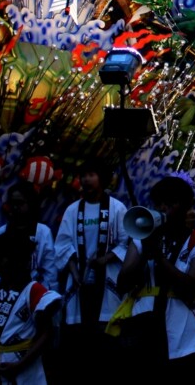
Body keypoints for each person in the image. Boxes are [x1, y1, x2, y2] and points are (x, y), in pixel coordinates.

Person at [111, 176, 195, 377]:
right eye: (159, 203)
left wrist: (159, 258)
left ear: (186, 206)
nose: (164, 208)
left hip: (183, 336)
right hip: (142, 330)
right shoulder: (141, 239)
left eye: (171, 203)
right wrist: (145, 251)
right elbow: (122, 283)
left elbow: (190, 288)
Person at [53, 158, 127, 375]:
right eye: (84, 175)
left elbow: (125, 241)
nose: (86, 179)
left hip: (107, 279)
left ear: (102, 179)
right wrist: (74, 270)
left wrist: (107, 258)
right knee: (77, 338)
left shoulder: (116, 208)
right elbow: (63, 243)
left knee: (105, 334)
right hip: (80, 281)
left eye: (92, 174)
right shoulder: (73, 210)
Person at [0, 229, 61, 385]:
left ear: (20, 260)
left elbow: (46, 334)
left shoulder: (34, 290)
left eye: (3, 258)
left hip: (23, 366)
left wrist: (20, 364)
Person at [0, 180, 58, 292]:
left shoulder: (43, 232)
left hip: (35, 293)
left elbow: (50, 271)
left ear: (30, 204)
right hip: (6, 293)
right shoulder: (1, 232)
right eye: (12, 204)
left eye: (20, 203)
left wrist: (43, 296)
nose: (15, 207)